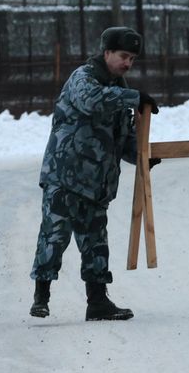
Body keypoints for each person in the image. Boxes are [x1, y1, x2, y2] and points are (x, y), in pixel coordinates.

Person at [29, 26, 160, 321]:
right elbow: (92, 101)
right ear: (107, 53)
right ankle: (42, 296)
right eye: (124, 56)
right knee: (54, 237)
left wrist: (142, 157)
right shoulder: (83, 78)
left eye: (133, 59)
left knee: (96, 244)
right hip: (65, 177)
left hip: (96, 184)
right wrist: (132, 96)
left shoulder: (118, 91)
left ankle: (98, 302)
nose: (128, 63)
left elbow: (122, 139)